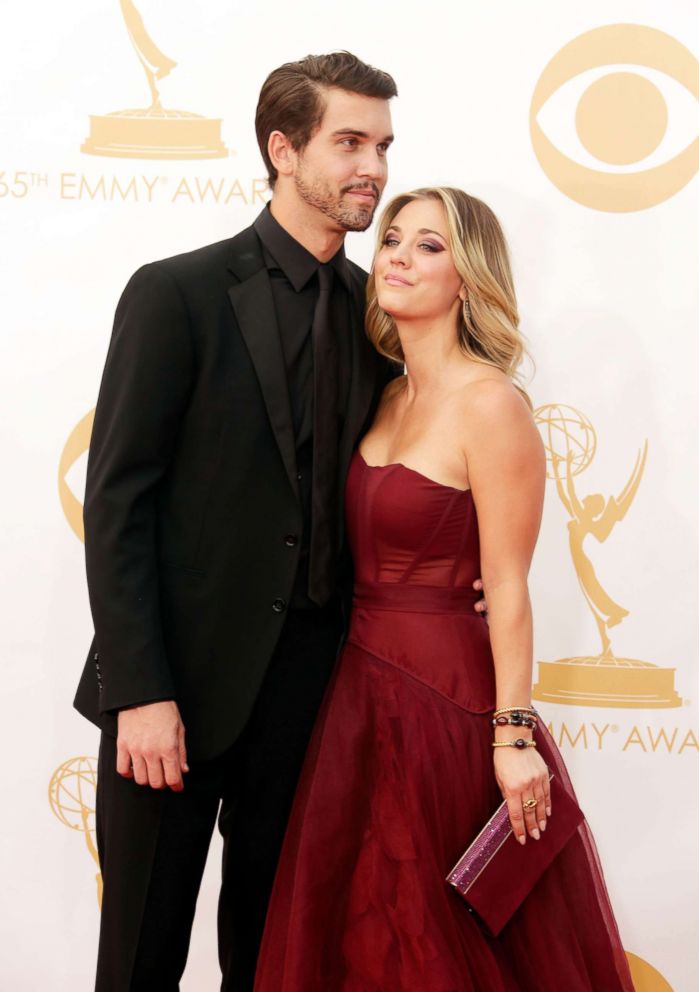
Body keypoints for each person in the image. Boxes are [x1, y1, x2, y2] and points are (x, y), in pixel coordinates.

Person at [73, 53, 478, 991]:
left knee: (276, 964)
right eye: (348, 142)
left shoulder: (378, 320)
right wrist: (141, 691)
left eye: (381, 144)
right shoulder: (177, 292)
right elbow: (118, 503)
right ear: (281, 149)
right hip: (169, 697)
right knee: (139, 961)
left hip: (310, 704)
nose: (371, 166)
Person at [253, 187, 635, 992]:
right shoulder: (384, 394)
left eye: (429, 245)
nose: (396, 254)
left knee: (440, 943)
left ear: (468, 278)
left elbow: (507, 585)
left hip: (448, 713)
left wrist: (511, 736)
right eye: (392, 237)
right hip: (354, 697)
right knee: (362, 939)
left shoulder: (491, 405)